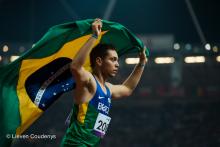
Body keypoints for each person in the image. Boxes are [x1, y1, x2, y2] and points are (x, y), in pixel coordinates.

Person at [61, 18, 147, 147]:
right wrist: (94, 36)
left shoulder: (108, 89)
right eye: (113, 59)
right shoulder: (89, 82)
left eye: (117, 60)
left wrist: (141, 63)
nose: (117, 64)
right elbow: (75, 67)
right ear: (99, 61)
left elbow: (127, 89)